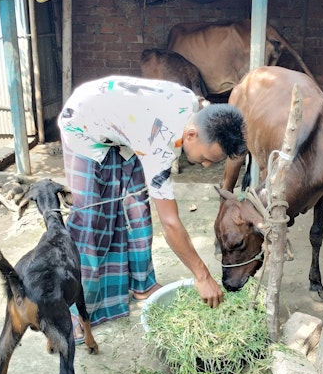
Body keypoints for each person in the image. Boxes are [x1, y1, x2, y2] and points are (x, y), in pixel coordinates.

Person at [58, 75, 247, 336]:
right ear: (191, 135)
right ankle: (72, 309)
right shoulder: (159, 142)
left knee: (137, 209)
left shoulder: (194, 107)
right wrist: (202, 276)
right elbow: (170, 223)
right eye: (205, 158)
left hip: (126, 130)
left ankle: (142, 284)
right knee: (91, 220)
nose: (204, 166)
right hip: (83, 125)